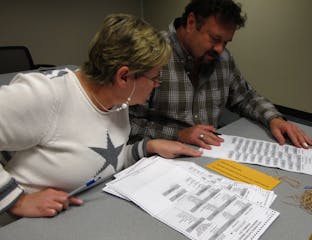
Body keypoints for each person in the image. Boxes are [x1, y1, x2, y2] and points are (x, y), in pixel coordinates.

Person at [0, 13, 202, 222]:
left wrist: (147, 147)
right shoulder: (48, 94)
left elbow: (102, 160)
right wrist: (17, 201)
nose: (158, 84)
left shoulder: (117, 99)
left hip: (73, 217)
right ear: (124, 77)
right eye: (155, 77)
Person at [129, 0, 312, 150]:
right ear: (191, 23)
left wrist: (274, 118)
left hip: (210, 153)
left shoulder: (222, 58)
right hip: (158, 158)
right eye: (215, 39)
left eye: (226, 42)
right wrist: (177, 134)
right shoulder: (151, 54)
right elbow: (126, 124)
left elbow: (245, 97)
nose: (220, 49)